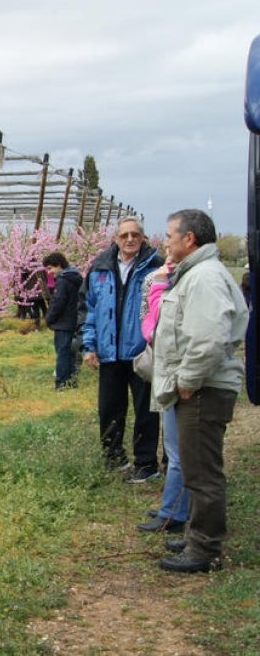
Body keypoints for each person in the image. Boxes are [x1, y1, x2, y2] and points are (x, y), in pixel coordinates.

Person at [151, 209, 247, 573]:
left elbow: (207, 340)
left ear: (189, 239)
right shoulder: (196, 274)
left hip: (203, 389)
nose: (167, 242)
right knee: (194, 468)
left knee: (203, 472)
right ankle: (198, 535)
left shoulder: (204, 277)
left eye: (170, 235)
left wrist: (187, 381)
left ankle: (204, 550)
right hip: (200, 387)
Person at [78, 216, 163, 481]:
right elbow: (88, 310)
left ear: (143, 238)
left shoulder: (155, 267)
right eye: (124, 235)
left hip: (141, 352)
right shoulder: (99, 268)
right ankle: (113, 458)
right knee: (109, 409)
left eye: (135, 235)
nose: (129, 240)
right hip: (109, 352)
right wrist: (88, 346)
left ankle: (146, 464)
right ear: (115, 238)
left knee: (146, 412)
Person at [135, 253, 188, 535]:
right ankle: (173, 508)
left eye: (171, 242)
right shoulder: (156, 281)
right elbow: (150, 323)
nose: (168, 255)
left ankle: (174, 513)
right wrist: (157, 287)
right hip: (168, 371)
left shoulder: (194, 281)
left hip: (182, 376)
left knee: (181, 453)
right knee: (174, 448)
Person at [43, 253, 83, 389]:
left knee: (62, 353)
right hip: (72, 321)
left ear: (58, 265)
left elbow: (57, 302)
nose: (49, 272)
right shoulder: (74, 277)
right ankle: (71, 380)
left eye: (50, 268)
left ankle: (60, 382)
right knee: (69, 352)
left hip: (63, 322)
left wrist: (49, 319)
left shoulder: (63, 280)